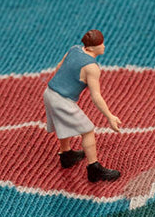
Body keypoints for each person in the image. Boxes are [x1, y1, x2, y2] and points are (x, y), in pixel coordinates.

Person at [44, 29, 122, 182]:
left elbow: (59, 67)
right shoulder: (91, 67)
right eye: (101, 44)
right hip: (62, 100)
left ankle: (66, 155)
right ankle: (94, 169)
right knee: (87, 130)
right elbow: (96, 96)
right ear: (92, 48)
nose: (104, 46)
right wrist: (109, 116)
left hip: (49, 92)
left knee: (62, 124)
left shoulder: (74, 49)